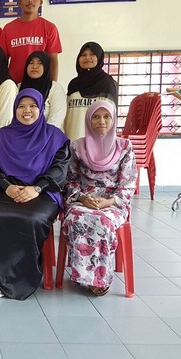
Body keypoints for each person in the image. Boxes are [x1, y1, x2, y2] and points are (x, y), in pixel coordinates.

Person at [0, 89, 70, 300]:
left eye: (32, 106)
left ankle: (20, 278)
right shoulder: (0, 137)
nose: (26, 111)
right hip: (5, 190)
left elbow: (60, 170)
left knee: (32, 218)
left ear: (41, 109)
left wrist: (36, 188)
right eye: (21, 106)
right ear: (14, 109)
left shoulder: (55, 137)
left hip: (43, 192)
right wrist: (7, 187)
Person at [62, 101, 136, 296]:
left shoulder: (124, 147)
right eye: (95, 117)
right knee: (77, 218)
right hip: (82, 200)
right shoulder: (77, 147)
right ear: (88, 120)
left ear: (113, 119)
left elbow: (128, 183)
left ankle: (99, 278)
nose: (101, 121)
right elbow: (69, 181)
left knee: (102, 221)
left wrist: (108, 202)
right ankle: (84, 274)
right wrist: (83, 198)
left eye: (106, 117)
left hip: (113, 202)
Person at [0, 0, 62, 83]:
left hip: (40, 85)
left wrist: (53, 86)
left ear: (41, 2)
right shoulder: (8, 29)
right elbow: (2, 61)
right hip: (14, 85)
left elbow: (53, 60)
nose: (30, 0)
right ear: (19, 3)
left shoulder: (50, 28)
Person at [63, 41, 118, 141]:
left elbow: (109, 117)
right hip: (72, 140)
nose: (87, 58)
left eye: (92, 54)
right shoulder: (73, 84)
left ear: (99, 57)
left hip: (98, 142)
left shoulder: (107, 83)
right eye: (83, 55)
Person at [20, 51, 67, 129]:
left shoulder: (55, 88)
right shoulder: (18, 88)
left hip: (48, 135)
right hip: (21, 134)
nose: (35, 66)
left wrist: (39, 135)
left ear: (46, 66)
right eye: (31, 63)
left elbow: (56, 120)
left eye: (40, 63)